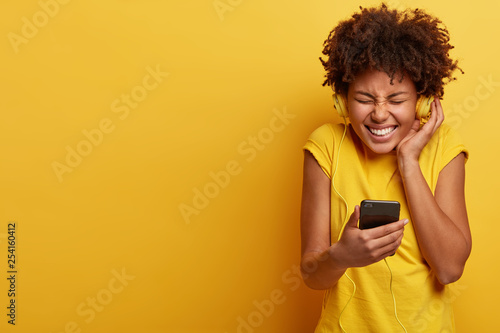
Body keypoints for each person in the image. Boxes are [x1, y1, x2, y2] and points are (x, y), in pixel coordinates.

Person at [300, 4, 471, 332]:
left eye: (396, 100)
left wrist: (409, 161)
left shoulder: (445, 146)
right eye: (364, 99)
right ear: (342, 101)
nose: (379, 114)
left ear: (421, 102)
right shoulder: (325, 146)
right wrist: (341, 256)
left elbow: (449, 270)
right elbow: (311, 275)